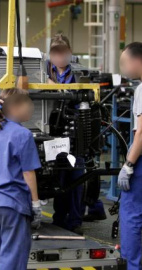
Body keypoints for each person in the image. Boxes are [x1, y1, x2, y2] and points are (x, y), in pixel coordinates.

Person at [0, 88, 42, 270]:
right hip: (13, 205)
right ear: (15, 107)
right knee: (13, 263)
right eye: (27, 103)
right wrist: (35, 204)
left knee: (2, 260)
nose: (31, 107)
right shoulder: (23, 134)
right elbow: (28, 173)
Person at [46, 34, 83, 233]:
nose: (60, 57)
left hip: (74, 131)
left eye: (63, 52)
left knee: (76, 178)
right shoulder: (44, 71)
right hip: (53, 131)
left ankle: (75, 220)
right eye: (56, 53)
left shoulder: (77, 72)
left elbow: (77, 95)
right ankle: (59, 218)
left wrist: (56, 87)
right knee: (58, 176)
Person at [118, 42, 142, 270]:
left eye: (125, 63)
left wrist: (128, 164)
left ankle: (132, 266)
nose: (123, 68)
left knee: (131, 212)